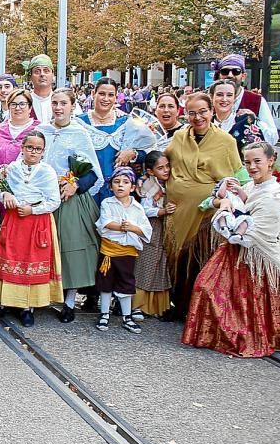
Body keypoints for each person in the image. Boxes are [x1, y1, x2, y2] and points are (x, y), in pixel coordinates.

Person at [182, 142, 280, 357]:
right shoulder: (252, 187)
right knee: (205, 286)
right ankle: (220, 333)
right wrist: (228, 200)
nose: (252, 167)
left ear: (270, 161)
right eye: (247, 162)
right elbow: (231, 205)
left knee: (210, 289)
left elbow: (246, 235)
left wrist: (226, 211)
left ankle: (242, 335)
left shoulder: (272, 195)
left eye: (257, 161)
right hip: (234, 251)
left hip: (253, 257)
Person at [163, 92, 242, 320]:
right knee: (177, 259)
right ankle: (177, 305)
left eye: (203, 112)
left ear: (211, 112)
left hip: (206, 212)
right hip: (178, 211)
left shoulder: (226, 142)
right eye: (192, 113)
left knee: (200, 260)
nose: (198, 117)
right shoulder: (179, 137)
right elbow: (163, 162)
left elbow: (236, 175)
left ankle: (198, 310)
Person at [37, 88, 103, 323]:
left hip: (69, 197)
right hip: (44, 195)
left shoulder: (79, 134)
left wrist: (75, 185)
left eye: (63, 103)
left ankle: (69, 301)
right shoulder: (41, 131)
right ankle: (41, 295)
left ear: (72, 106)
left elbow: (93, 172)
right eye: (54, 103)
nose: (58, 107)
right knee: (42, 247)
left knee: (70, 249)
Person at [0, 131, 62, 325]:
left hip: (35, 220)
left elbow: (54, 201)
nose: (33, 152)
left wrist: (33, 210)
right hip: (14, 219)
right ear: (22, 148)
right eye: (29, 148)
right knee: (7, 257)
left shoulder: (47, 172)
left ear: (43, 151)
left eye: (38, 149)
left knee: (30, 261)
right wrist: (5, 195)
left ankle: (27, 307)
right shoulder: (12, 168)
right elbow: (0, 187)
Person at [94, 167, 152, 333]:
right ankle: (104, 313)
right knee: (106, 281)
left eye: (125, 182)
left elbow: (145, 230)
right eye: (116, 182)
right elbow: (104, 224)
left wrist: (132, 228)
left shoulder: (137, 208)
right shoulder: (107, 203)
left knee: (126, 282)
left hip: (127, 252)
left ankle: (127, 316)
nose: (120, 186)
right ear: (111, 186)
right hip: (109, 251)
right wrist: (121, 226)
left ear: (132, 187)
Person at [0, 88, 38, 267]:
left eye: (22, 104)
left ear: (30, 107)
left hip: (24, 196)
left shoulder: (38, 130)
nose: (17, 108)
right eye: (13, 104)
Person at [79, 78, 150, 203]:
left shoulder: (126, 122)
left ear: (116, 97)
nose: (106, 99)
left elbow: (146, 152)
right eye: (101, 94)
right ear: (93, 94)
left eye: (110, 95)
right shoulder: (79, 122)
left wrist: (132, 153)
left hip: (119, 191)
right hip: (88, 190)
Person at [135, 150, 175, 318]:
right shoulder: (148, 185)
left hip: (165, 227)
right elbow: (144, 209)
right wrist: (162, 211)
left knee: (161, 263)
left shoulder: (169, 183)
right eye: (160, 168)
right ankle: (137, 304)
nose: (166, 170)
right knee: (147, 261)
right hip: (152, 227)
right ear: (150, 171)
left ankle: (157, 305)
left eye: (167, 166)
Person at [211, 54, 278, 144]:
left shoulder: (256, 100)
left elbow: (273, 138)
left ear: (243, 76)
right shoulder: (208, 100)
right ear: (219, 75)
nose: (230, 75)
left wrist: (254, 120)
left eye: (236, 71)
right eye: (225, 71)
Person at [210, 79, 266, 155]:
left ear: (234, 98)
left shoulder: (246, 121)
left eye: (229, 95)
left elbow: (259, 154)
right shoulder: (205, 124)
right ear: (211, 97)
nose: (224, 99)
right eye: (219, 94)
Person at [28, 54, 55, 122]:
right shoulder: (25, 101)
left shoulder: (64, 101)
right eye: (37, 71)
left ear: (53, 74)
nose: (42, 74)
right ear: (30, 76)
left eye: (46, 71)